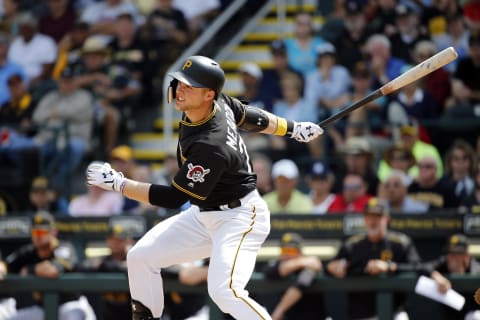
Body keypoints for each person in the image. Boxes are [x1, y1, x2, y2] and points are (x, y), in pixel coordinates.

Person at [86, 55, 323, 320]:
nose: (180, 89)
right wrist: (292, 128)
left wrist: (119, 183)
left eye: (190, 86)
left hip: (240, 217)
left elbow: (174, 197)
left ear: (209, 94)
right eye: (180, 83)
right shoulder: (218, 103)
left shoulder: (211, 145)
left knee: (224, 291)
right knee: (140, 256)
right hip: (205, 213)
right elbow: (249, 116)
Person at [326, 197, 422, 320]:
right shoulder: (352, 244)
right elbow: (331, 266)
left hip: (394, 312)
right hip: (361, 313)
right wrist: (330, 267)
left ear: (386, 219)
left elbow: (418, 267)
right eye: (369, 216)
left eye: (377, 217)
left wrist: (389, 267)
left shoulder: (400, 243)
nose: (373, 221)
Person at [3, 211, 96, 320]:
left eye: (42, 232)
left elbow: (52, 270)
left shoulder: (64, 247)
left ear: (53, 232)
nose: (38, 236)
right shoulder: (29, 251)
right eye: (35, 232)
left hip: (71, 305)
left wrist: (30, 269)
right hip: (43, 308)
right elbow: (6, 264)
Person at [263, 232, 326, 320]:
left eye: (291, 251)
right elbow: (270, 272)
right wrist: (301, 262)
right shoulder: (277, 263)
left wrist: (279, 312)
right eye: (284, 251)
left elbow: (301, 285)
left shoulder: (310, 266)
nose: (287, 254)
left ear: (300, 252)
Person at [425, 234, 480, 320]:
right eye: (450, 253)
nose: (452, 258)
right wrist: (436, 275)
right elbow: (423, 267)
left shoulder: (476, 270)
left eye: (456, 254)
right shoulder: (444, 262)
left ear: (466, 256)